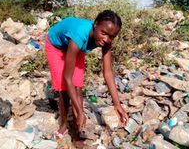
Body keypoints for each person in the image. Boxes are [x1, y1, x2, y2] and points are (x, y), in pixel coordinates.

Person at [45, 10, 128, 145]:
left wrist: (117, 104)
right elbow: (67, 78)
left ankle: (78, 132)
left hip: (76, 45)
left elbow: (107, 72)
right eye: (104, 33)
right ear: (95, 25)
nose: (106, 39)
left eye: (111, 36)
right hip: (56, 45)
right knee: (64, 89)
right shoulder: (79, 34)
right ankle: (65, 124)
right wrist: (79, 111)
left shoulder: (106, 41)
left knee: (78, 87)